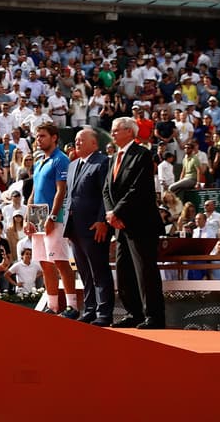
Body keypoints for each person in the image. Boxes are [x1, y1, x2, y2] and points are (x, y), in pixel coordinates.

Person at [104, 117, 166, 329]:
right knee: (124, 272)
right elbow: (106, 190)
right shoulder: (113, 158)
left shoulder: (142, 155)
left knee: (145, 272)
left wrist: (118, 212)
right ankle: (134, 313)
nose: (112, 133)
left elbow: (139, 189)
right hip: (120, 226)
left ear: (129, 132)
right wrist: (111, 213)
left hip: (140, 224)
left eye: (116, 130)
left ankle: (154, 317)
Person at [65, 127, 114, 325]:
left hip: (94, 226)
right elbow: (70, 195)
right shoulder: (73, 164)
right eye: (76, 140)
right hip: (74, 228)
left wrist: (102, 220)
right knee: (84, 271)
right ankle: (90, 309)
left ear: (94, 143)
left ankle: (104, 312)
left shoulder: (102, 162)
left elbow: (106, 194)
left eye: (81, 140)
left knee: (99, 270)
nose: (77, 142)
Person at [25, 121, 74, 316]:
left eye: (43, 136)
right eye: (37, 136)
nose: (39, 140)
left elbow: (61, 190)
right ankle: (53, 306)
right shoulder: (38, 162)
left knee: (61, 261)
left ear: (54, 138)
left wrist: (52, 216)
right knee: (45, 263)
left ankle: (72, 306)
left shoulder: (61, 159)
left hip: (56, 217)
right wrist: (29, 218)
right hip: (38, 217)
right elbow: (34, 193)